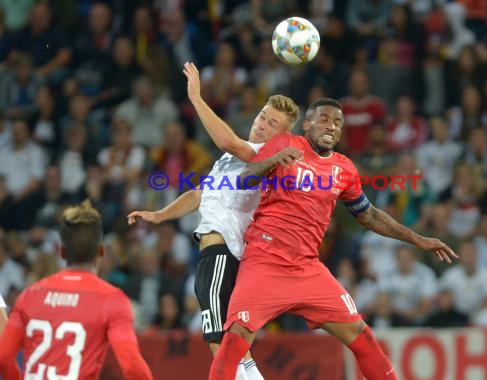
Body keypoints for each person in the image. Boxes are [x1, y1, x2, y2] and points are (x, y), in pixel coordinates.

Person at [209, 98, 458, 380]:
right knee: (234, 341)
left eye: (338, 122)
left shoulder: (344, 170)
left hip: (307, 270)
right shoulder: (284, 144)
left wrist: (419, 240)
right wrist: (271, 161)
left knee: (363, 337)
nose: (331, 126)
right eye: (325, 119)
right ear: (307, 125)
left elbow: (370, 216)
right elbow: (242, 181)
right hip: (265, 262)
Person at [127, 62, 300, 379]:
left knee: (217, 339)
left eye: (272, 123)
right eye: (262, 116)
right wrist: (159, 215)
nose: (261, 125)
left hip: (223, 251)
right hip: (214, 252)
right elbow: (199, 194)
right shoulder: (233, 157)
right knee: (227, 340)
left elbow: (227, 140)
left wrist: (195, 97)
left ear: (283, 136)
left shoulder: (263, 155)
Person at [0, 201, 153, 380]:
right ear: (101, 250)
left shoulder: (29, 295)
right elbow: (132, 367)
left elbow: (3, 357)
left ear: (63, 252)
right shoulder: (111, 298)